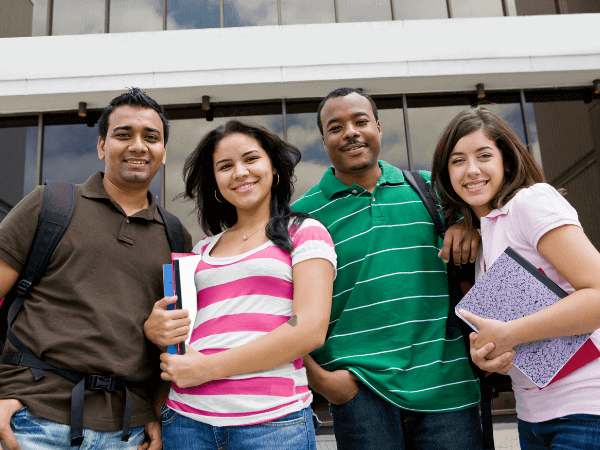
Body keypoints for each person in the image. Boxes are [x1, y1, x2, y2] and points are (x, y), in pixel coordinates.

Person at [0, 87, 192, 450]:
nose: (138, 145)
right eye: (124, 134)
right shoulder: (50, 204)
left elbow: (173, 338)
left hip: (127, 432)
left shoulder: (175, 234)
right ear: (102, 146)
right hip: (31, 421)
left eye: (151, 137)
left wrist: (154, 407)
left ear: (163, 152)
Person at [292, 87, 483, 450]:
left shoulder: (433, 189)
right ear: (323, 140)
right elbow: (287, 307)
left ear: (378, 127)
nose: (350, 132)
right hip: (361, 393)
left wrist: (467, 222)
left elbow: (493, 223)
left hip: (446, 385)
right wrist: (321, 380)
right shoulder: (301, 216)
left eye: (360, 121)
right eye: (336, 127)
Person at [144, 120, 336, 450]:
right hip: (187, 421)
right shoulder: (202, 249)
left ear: (274, 169)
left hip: (273, 423)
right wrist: (156, 330)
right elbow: (182, 337)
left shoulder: (304, 232)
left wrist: (207, 368)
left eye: (250, 159)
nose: (240, 172)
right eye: (225, 166)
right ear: (216, 184)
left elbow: (309, 330)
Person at [431, 107, 600, 449]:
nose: (472, 170)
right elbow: (529, 337)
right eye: (458, 160)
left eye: (484, 156)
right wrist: (489, 354)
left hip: (586, 410)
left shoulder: (530, 202)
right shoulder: (485, 235)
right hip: (533, 417)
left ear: (506, 162)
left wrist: (506, 333)